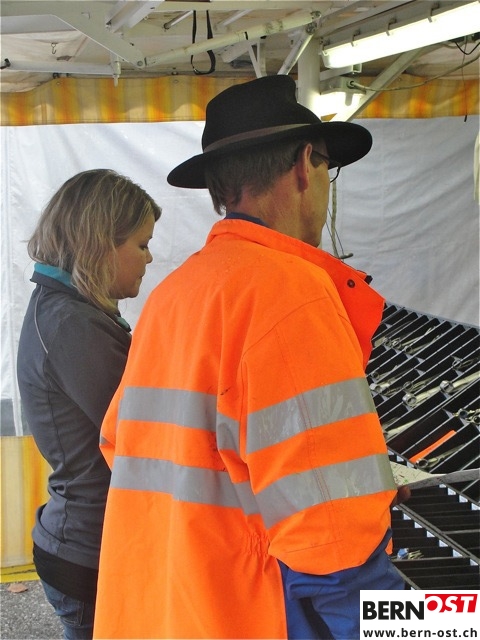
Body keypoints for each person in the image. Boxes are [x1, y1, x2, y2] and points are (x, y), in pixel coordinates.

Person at [94, 75, 406, 640]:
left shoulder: (173, 295)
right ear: (305, 165)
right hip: (252, 616)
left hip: (168, 612)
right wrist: (439, 625)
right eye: (328, 168)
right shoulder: (292, 294)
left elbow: (125, 446)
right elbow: (335, 549)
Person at [16, 168, 161, 640]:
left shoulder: (69, 310)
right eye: (141, 244)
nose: (149, 257)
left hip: (85, 539)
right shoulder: (71, 324)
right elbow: (146, 433)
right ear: (100, 244)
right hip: (89, 548)